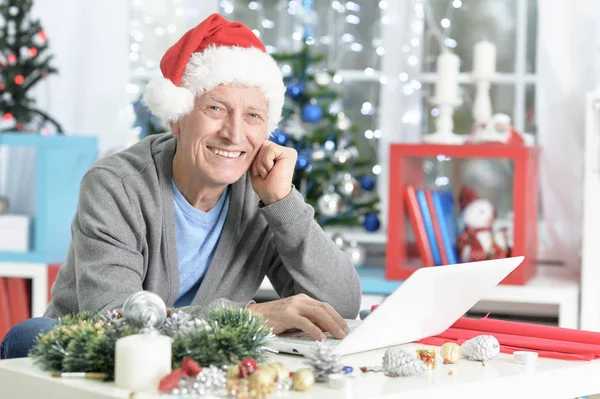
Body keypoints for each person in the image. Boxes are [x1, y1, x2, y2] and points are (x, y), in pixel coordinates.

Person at [0, 13, 361, 360]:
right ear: (177, 118)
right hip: (97, 363)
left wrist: (283, 202)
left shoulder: (263, 195)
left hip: (207, 367)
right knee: (29, 335)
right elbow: (114, 323)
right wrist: (246, 319)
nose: (234, 134)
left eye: (253, 115)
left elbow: (341, 306)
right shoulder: (116, 186)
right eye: (216, 108)